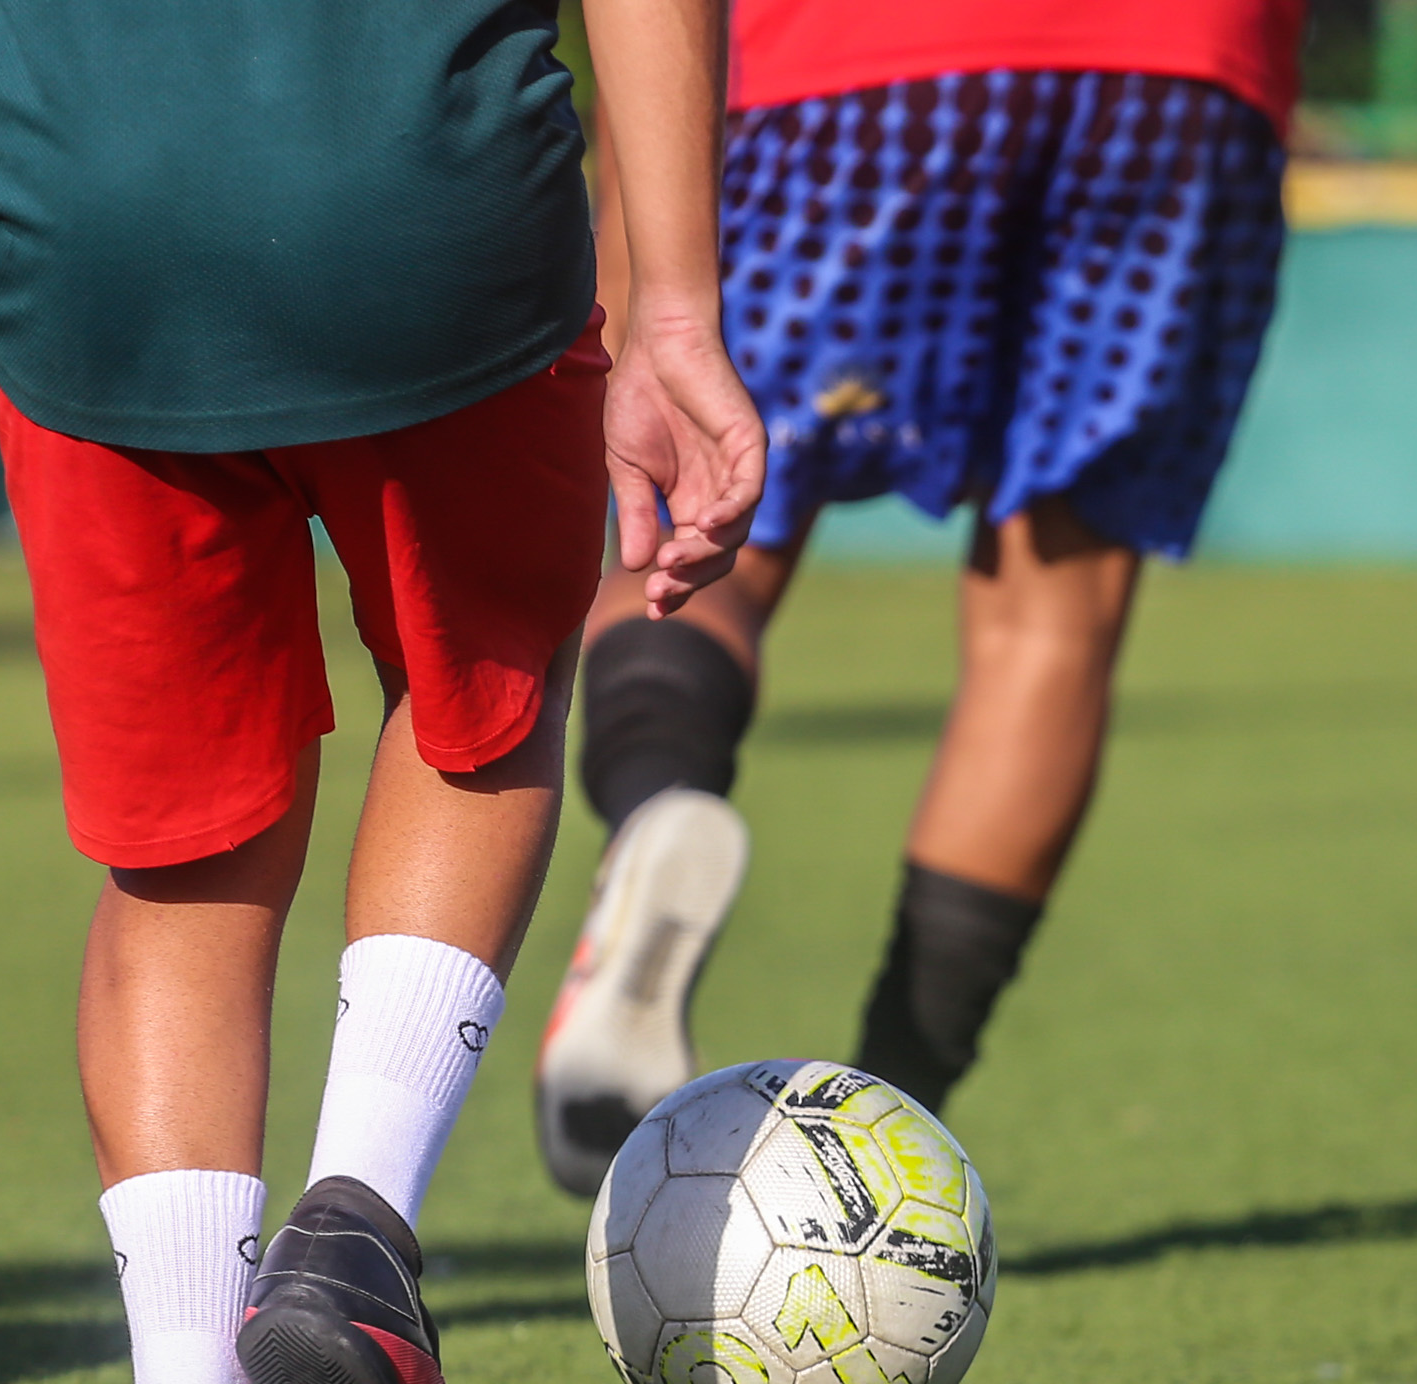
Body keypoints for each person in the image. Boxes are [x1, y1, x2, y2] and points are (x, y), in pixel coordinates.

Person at [0, 0, 762, 1384]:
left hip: (97, 234)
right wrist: (678, 301)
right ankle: (354, 1230)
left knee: (183, 842)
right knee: (474, 696)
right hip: (433, 202)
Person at [534, 0, 1307, 1195]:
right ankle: (878, 1139)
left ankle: (661, 805)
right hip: (1180, 73)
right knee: (1052, 621)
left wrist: (636, 222)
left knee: (696, 541)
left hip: (852, 65)